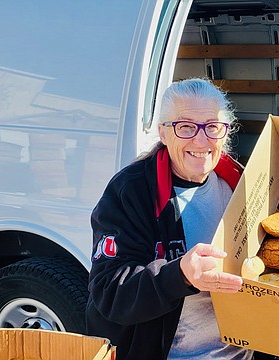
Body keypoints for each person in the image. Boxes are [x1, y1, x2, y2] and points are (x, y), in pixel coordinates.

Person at [86, 78, 252, 360]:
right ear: (164, 132)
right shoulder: (132, 191)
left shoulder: (239, 181)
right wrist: (181, 275)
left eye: (212, 126)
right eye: (185, 127)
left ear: (226, 132)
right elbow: (109, 292)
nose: (201, 140)